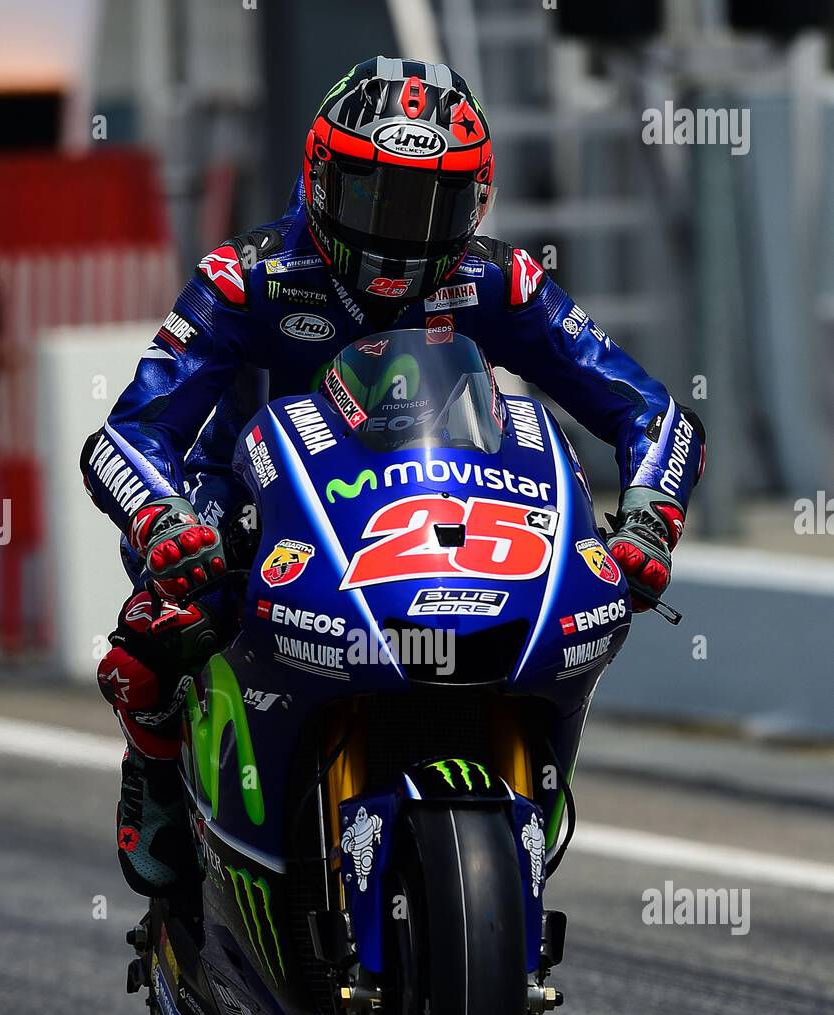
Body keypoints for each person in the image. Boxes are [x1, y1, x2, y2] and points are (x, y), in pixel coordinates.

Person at [82, 56, 705, 897]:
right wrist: (165, 522)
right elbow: (130, 432)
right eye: (372, 197)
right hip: (247, 504)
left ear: (475, 202)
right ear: (318, 177)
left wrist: (645, 520)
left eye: (428, 204)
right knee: (156, 637)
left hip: (433, 501)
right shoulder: (246, 277)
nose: (396, 233)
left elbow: (651, 414)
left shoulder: (498, 280)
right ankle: (155, 770)